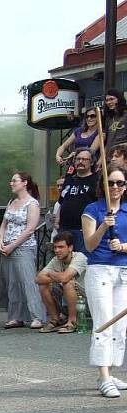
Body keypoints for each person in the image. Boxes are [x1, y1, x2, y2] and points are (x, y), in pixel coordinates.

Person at [82, 165, 127, 398]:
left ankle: (111, 370)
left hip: (124, 271)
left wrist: (123, 246)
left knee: (121, 326)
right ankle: (103, 376)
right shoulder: (93, 209)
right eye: (111, 183)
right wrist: (104, 226)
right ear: (103, 185)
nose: (116, 187)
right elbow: (89, 245)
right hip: (100, 270)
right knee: (105, 322)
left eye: (120, 183)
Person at [0, 171, 46, 329]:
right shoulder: (12, 202)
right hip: (7, 246)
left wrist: (12, 245)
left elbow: (30, 229)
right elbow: (3, 224)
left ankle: (37, 316)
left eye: (14, 181)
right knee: (12, 282)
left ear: (25, 183)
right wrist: (1, 243)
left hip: (23, 246)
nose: (11, 183)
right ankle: (15, 316)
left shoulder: (32, 203)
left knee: (27, 281)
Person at [36, 231, 87, 333]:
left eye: (61, 247)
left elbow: (64, 278)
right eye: (55, 247)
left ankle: (72, 321)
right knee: (43, 285)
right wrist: (57, 276)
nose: (57, 250)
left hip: (87, 298)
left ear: (70, 248)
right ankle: (55, 320)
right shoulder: (56, 260)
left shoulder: (79, 257)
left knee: (68, 283)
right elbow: (39, 278)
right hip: (68, 296)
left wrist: (52, 274)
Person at [57, 149, 98, 253]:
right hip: (64, 229)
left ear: (92, 162)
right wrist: (57, 220)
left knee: (81, 263)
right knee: (64, 262)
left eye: (84, 159)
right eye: (78, 159)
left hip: (83, 230)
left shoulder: (96, 180)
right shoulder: (69, 179)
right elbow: (62, 201)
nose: (80, 162)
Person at [104, 89, 127, 154]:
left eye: (111, 99)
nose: (108, 102)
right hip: (110, 157)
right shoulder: (109, 118)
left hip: (123, 157)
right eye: (107, 100)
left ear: (119, 99)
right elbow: (108, 141)